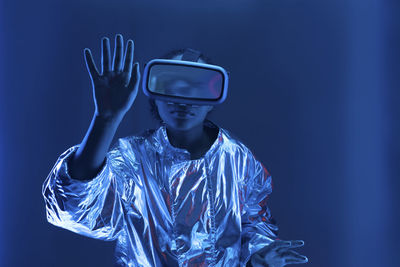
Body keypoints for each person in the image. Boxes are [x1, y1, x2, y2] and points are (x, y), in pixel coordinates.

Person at [42, 34, 308, 267]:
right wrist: (106, 120)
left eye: (197, 87)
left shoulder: (237, 159)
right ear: (154, 95)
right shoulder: (133, 159)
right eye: (172, 86)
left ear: (212, 98)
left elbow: (255, 222)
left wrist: (258, 256)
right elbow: (75, 208)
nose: (183, 100)